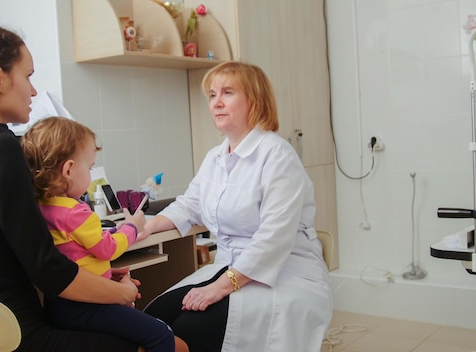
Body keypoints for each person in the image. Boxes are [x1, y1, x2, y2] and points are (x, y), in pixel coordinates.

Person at [0, 22, 146, 351]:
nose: (33, 91)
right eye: (27, 76)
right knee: (160, 343)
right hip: (17, 333)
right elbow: (47, 269)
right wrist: (121, 292)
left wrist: (97, 277)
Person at [141, 61, 333, 351]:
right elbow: (190, 205)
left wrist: (218, 288)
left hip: (283, 272)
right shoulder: (215, 157)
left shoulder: (277, 156)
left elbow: (273, 240)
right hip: (229, 267)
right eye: (212, 94)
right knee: (153, 320)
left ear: (254, 100)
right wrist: (144, 227)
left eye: (227, 92)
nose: (216, 102)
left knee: (190, 329)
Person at [21, 116, 188, 352]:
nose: (90, 174)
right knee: (161, 335)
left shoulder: (43, 205)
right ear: (69, 169)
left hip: (60, 306)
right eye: (89, 168)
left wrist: (114, 232)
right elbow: (106, 248)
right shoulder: (75, 211)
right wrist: (132, 228)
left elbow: (80, 245)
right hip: (87, 305)